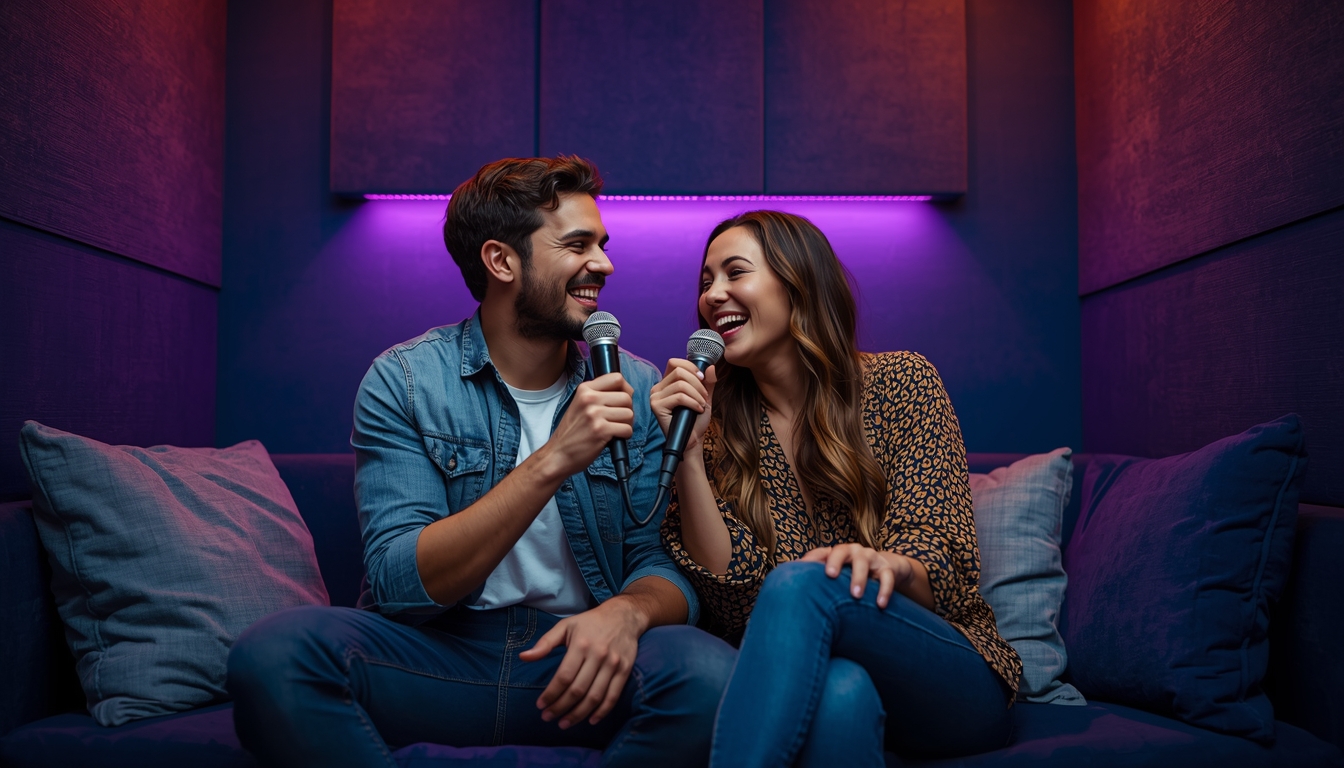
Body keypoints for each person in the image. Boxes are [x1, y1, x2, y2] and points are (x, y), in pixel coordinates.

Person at [227, 157, 735, 768]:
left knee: (710, 674)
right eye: (577, 245)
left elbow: (660, 563)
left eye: (601, 244)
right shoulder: (406, 381)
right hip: (439, 656)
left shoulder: (636, 381)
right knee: (275, 654)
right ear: (501, 261)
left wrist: (625, 612)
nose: (604, 263)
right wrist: (552, 459)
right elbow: (399, 586)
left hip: (579, 659)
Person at [652, 211, 1023, 767]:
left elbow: (941, 556)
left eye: (734, 273)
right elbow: (732, 599)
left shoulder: (902, 383)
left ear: (797, 282)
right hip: (818, 674)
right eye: (706, 281)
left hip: (944, 674)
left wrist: (887, 566)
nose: (713, 294)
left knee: (804, 585)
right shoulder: (718, 429)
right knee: (841, 695)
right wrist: (686, 456)